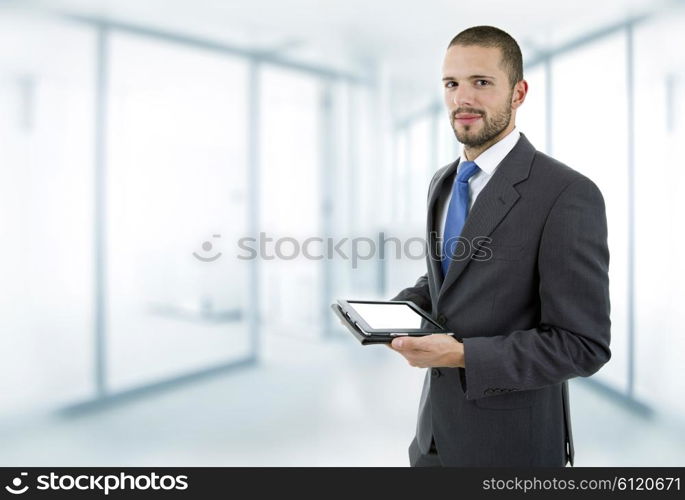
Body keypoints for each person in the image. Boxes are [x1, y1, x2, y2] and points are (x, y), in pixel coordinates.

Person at [387, 25, 611, 467]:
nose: (461, 99)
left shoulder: (566, 193)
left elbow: (583, 344)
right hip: (432, 439)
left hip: (511, 451)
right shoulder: (445, 181)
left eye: (481, 83)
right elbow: (449, 282)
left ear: (519, 92)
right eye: (451, 84)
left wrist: (463, 355)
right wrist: (399, 309)